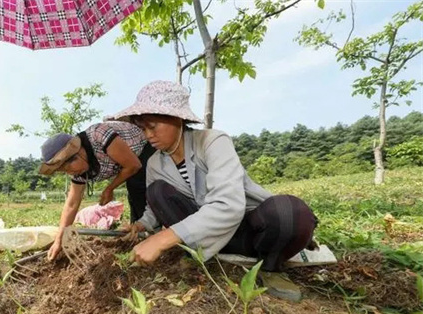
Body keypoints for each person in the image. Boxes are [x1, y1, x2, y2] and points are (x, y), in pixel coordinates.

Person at [110, 81, 318, 302]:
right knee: (157, 191)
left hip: (247, 231)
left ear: (178, 119)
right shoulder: (155, 164)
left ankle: (271, 268)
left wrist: (162, 239)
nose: (148, 135)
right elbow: (154, 209)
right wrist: (140, 225)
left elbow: (228, 204)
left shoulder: (213, 142)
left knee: (289, 212)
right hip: (203, 236)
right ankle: (198, 255)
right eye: (143, 129)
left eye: (153, 126)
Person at [40, 121, 155, 261]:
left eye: (69, 168)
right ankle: (140, 237)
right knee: (135, 198)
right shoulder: (79, 172)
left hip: (146, 149)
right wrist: (59, 239)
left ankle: (165, 236)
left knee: (146, 192)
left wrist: (110, 188)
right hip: (131, 164)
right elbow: (72, 204)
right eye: (65, 172)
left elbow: (133, 165)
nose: (71, 173)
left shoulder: (99, 136)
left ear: (77, 154)